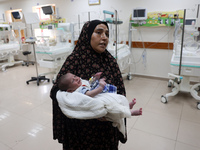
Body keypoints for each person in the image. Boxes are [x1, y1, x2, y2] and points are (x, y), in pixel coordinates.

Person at [50, 20, 130, 149]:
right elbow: (56, 91)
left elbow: (120, 89)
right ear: (87, 35)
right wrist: (81, 105)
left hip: (106, 128)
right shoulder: (75, 59)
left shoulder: (110, 61)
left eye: (107, 34)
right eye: (99, 32)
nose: (104, 37)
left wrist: (115, 111)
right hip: (80, 130)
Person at [57, 72, 142, 116]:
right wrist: (100, 87)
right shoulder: (79, 91)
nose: (76, 79)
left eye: (75, 76)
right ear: (69, 90)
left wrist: (95, 78)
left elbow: (89, 82)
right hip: (97, 98)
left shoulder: (81, 83)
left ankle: (127, 105)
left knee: (115, 100)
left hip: (100, 94)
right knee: (113, 109)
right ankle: (130, 112)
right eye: (73, 81)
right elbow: (90, 94)